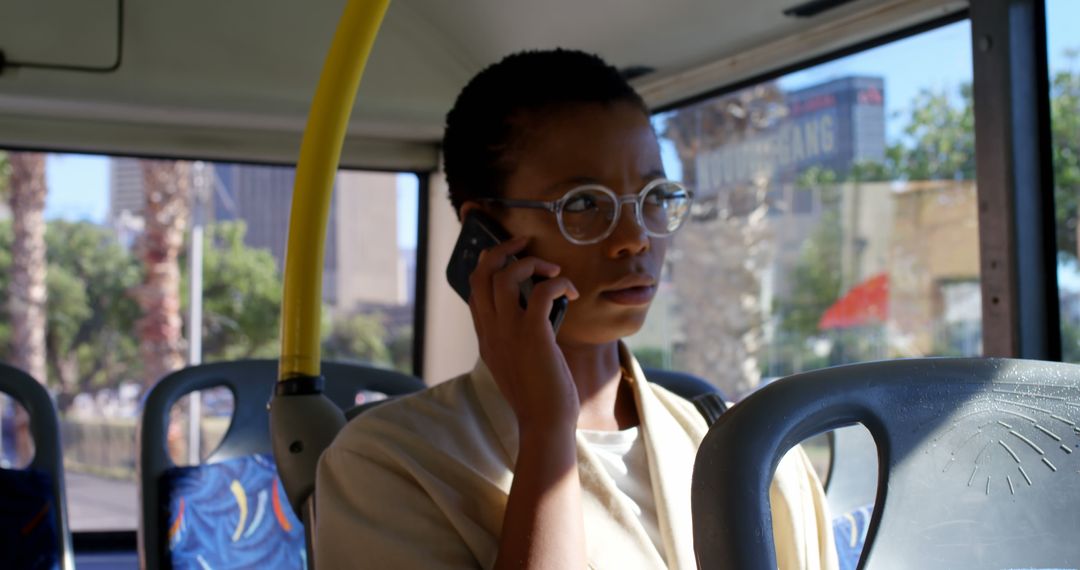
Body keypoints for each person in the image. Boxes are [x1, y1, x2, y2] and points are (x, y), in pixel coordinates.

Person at [315, 49, 837, 570]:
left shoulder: (753, 450)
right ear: (485, 234)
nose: (635, 238)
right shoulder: (385, 463)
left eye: (654, 196)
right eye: (584, 205)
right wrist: (545, 431)